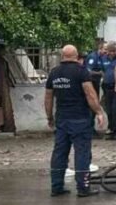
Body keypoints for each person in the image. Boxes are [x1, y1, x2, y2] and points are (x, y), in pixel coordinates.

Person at [45, 45, 106, 197]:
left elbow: (48, 98)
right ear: (76, 55)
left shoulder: (54, 73)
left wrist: (49, 117)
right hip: (80, 119)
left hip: (62, 119)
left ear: (62, 56)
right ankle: (83, 187)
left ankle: (56, 186)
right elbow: (90, 94)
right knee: (82, 152)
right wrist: (98, 112)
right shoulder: (81, 72)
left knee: (59, 153)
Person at [101, 42, 116, 141]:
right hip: (107, 87)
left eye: (115, 51)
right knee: (109, 110)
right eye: (111, 51)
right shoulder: (104, 59)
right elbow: (102, 71)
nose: (113, 53)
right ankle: (111, 129)